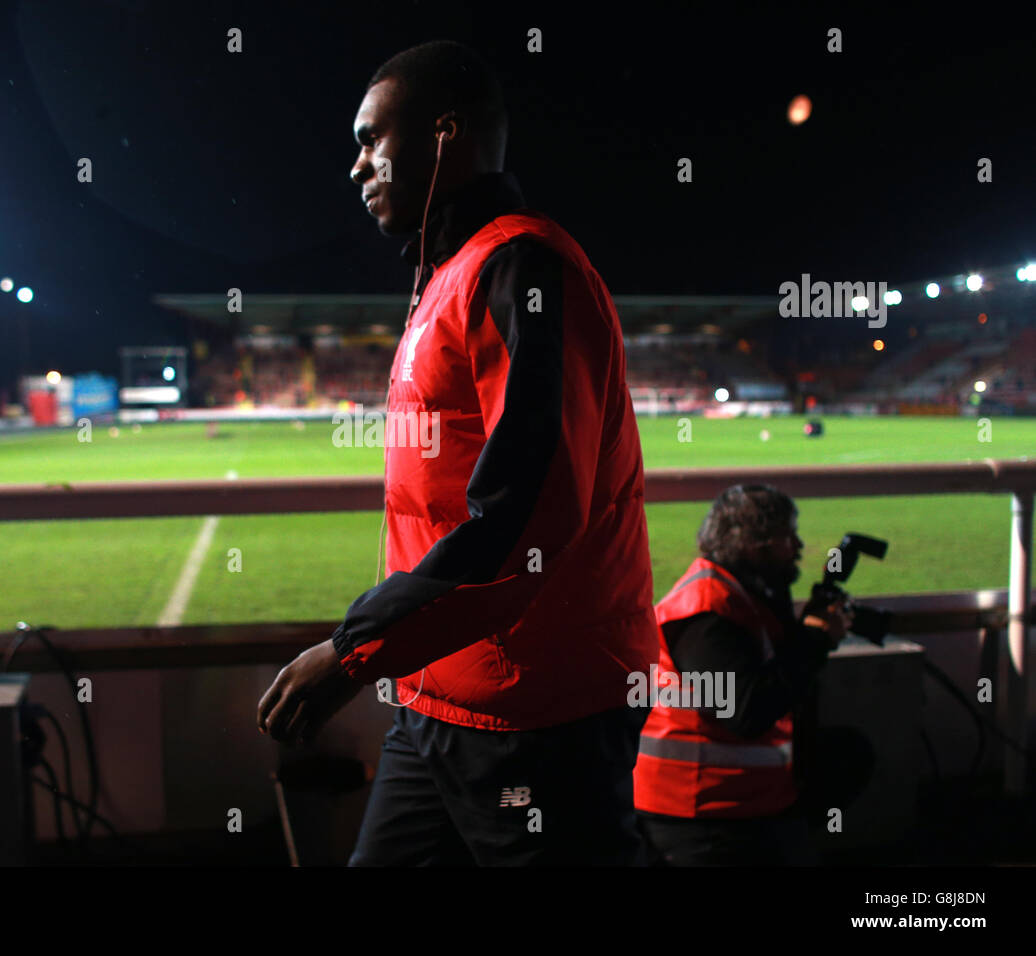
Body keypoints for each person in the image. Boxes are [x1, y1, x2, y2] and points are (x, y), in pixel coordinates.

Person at [257, 40, 659, 865]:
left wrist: (352, 652)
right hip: (437, 694)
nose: (358, 166)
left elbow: (531, 514)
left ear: (446, 134)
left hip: (538, 715)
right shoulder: (450, 274)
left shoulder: (521, 266)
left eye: (374, 139)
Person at [632, 484, 853, 865]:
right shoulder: (706, 609)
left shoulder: (738, 593)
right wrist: (815, 640)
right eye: (788, 536)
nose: (799, 547)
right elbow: (745, 712)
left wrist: (807, 631)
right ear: (755, 545)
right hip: (700, 812)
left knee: (849, 756)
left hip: (729, 799)